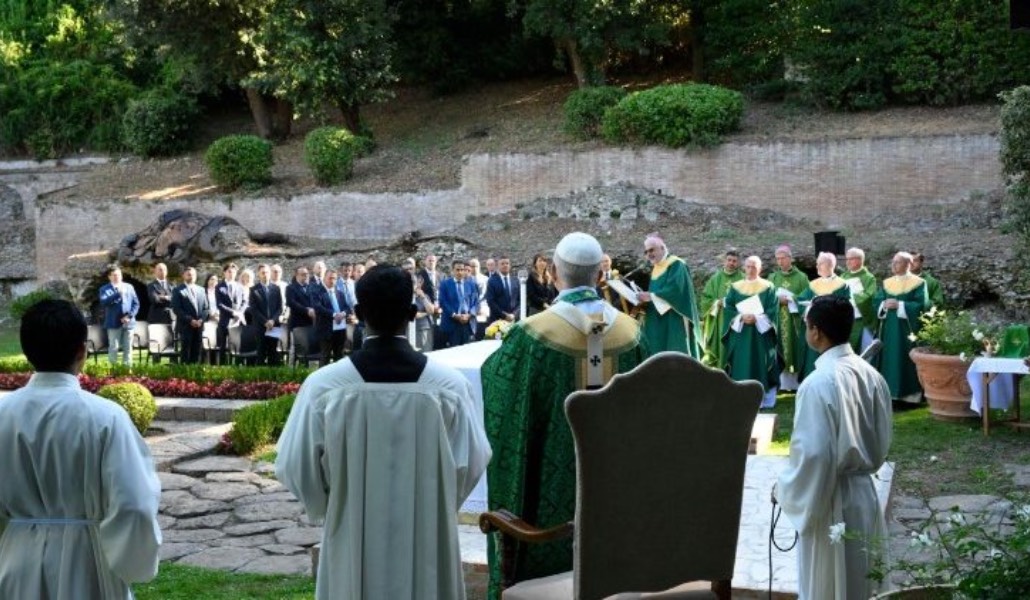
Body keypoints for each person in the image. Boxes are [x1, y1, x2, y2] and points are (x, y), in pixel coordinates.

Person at [276, 265, 491, 600]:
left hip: (352, 538)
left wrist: (335, 505)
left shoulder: (325, 387)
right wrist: (432, 501)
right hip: (427, 539)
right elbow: (471, 462)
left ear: (359, 313)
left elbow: (295, 465)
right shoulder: (449, 387)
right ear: (412, 313)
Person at [481, 232, 649, 597]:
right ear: (600, 276)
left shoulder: (531, 337)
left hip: (546, 518)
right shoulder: (631, 334)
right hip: (620, 517)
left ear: (554, 273)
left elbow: (501, 404)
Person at [0, 299, 161, 598]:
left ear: (26, 351)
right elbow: (135, 505)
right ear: (81, 351)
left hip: (16, 563)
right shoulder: (106, 417)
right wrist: (130, 563)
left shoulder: (3, 413)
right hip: (88, 564)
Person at [775, 295, 892, 600]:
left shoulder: (817, 383)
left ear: (816, 332)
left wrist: (784, 489)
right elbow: (882, 440)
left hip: (831, 499)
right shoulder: (873, 377)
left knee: (829, 587)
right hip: (864, 495)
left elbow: (814, 455)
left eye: (807, 325)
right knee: (860, 581)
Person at [722, 255, 781, 408]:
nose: (750, 269)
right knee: (741, 364)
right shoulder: (735, 287)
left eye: (754, 266)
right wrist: (740, 317)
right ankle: (739, 397)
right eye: (748, 266)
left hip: (760, 336)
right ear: (744, 267)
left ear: (760, 269)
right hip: (741, 334)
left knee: (760, 363)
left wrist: (757, 319)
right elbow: (728, 308)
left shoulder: (768, 287)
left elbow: (772, 310)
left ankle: (763, 400)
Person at [636, 233, 702, 358]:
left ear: (662, 247)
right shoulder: (656, 267)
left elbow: (675, 290)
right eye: (646, 251)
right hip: (656, 317)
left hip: (674, 317)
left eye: (651, 250)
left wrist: (651, 296)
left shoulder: (676, 264)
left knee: (674, 353)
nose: (649, 254)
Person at [875, 252, 928, 403]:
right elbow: (877, 301)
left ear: (908, 265)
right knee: (889, 358)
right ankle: (888, 393)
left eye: (898, 262)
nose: (894, 265)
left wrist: (901, 305)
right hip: (888, 329)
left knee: (905, 358)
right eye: (893, 262)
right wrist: (883, 305)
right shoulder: (887, 283)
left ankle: (909, 396)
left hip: (906, 330)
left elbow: (922, 305)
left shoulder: (919, 283)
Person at [796, 252, 851, 381]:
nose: (817, 266)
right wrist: (808, 307)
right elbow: (801, 301)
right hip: (814, 328)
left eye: (820, 263)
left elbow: (845, 307)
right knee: (812, 360)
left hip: (831, 331)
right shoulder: (813, 285)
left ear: (830, 265)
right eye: (817, 263)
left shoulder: (842, 285)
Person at [768, 245, 809, 391]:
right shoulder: (772, 278)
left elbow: (807, 298)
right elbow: (767, 298)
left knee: (794, 348)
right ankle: (780, 382)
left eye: (783, 258)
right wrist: (777, 301)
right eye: (777, 259)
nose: (780, 261)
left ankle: (795, 383)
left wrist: (792, 299)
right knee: (778, 348)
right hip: (777, 319)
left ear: (790, 258)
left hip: (794, 322)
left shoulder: (802, 277)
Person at [700, 250, 743, 368]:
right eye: (729, 260)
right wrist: (715, 303)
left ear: (738, 263)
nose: (731, 263)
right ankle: (719, 370)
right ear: (724, 261)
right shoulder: (715, 279)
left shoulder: (743, 279)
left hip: (736, 320)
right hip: (719, 320)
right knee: (719, 346)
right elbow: (705, 298)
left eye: (734, 261)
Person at [98, 264, 139, 366]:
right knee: (114, 347)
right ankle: (113, 371)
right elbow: (104, 302)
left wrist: (129, 316)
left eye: (119, 275)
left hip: (128, 323)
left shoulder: (129, 287)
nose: (117, 277)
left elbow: (136, 303)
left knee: (128, 348)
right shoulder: (105, 289)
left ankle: (127, 371)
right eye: (114, 275)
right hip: (113, 323)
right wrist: (117, 294)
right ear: (109, 277)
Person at [841, 247, 879, 354]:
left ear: (859, 260)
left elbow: (870, 296)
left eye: (850, 259)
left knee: (860, 351)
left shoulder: (869, 278)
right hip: (844, 320)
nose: (847, 262)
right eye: (846, 259)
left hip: (860, 320)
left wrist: (851, 300)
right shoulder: (843, 276)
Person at [311, 269, 351, 364]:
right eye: (330, 278)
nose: (332, 281)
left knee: (339, 356)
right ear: (324, 278)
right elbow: (318, 307)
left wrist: (343, 314)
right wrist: (334, 315)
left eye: (334, 278)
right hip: (325, 330)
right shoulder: (317, 291)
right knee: (325, 356)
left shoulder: (339, 293)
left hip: (340, 330)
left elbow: (347, 308)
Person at [247, 263, 284, 366]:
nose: (265, 274)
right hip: (260, 326)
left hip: (274, 325)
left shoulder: (276, 288)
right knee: (261, 352)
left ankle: (273, 378)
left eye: (267, 272)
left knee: (273, 352)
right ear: (259, 274)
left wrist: (273, 320)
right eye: (263, 273)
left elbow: (280, 307)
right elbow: (253, 309)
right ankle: (260, 378)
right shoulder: (253, 290)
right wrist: (265, 321)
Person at [171, 266, 209, 364]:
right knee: (186, 351)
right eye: (188, 275)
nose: (191, 276)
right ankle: (184, 374)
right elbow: (177, 309)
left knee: (197, 350)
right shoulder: (178, 290)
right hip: (185, 326)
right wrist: (190, 320)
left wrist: (201, 320)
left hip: (199, 326)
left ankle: (195, 372)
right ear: (183, 276)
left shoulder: (201, 290)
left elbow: (206, 308)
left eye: (193, 275)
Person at [438, 259, 478, 347]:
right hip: (452, 324)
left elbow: (475, 302)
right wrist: (455, 315)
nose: (460, 272)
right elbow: (443, 302)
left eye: (462, 270)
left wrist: (469, 315)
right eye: (457, 270)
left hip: (467, 324)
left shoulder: (471, 284)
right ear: (452, 270)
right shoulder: (445, 284)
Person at [215, 262, 248, 361]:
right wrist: (233, 312)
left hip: (237, 320)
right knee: (222, 346)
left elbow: (245, 301)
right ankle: (222, 366)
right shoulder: (219, 287)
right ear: (224, 273)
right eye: (229, 272)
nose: (231, 274)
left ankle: (237, 365)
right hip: (225, 319)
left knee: (237, 344)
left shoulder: (240, 286)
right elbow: (219, 304)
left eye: (233, 272)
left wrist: (240, 312)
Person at [484, 256, 519, 323]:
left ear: (510, 265)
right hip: (497, 320)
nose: (505, 265)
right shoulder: (492, 281)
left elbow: (520, 300)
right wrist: (504, 315)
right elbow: (490, 301)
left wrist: (514, 314)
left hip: (514, 319)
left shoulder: (516, 280)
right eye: (502, 264)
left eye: (507, 263)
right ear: (498, 266)